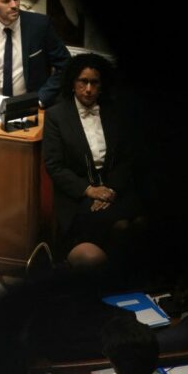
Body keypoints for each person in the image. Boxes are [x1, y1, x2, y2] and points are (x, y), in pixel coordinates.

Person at [43, 53, 143, 276]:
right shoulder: (56, 116)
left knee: (137, 219)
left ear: (101, 85)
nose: (88, 89)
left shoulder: (114, 113)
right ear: (73, 83)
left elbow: (127, 159)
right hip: (78, 195)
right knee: (121, 226)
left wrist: (110, 191)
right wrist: (90, 191)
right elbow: (54, 165)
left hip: (112, 189)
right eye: (83, 81)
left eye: (94, 82)